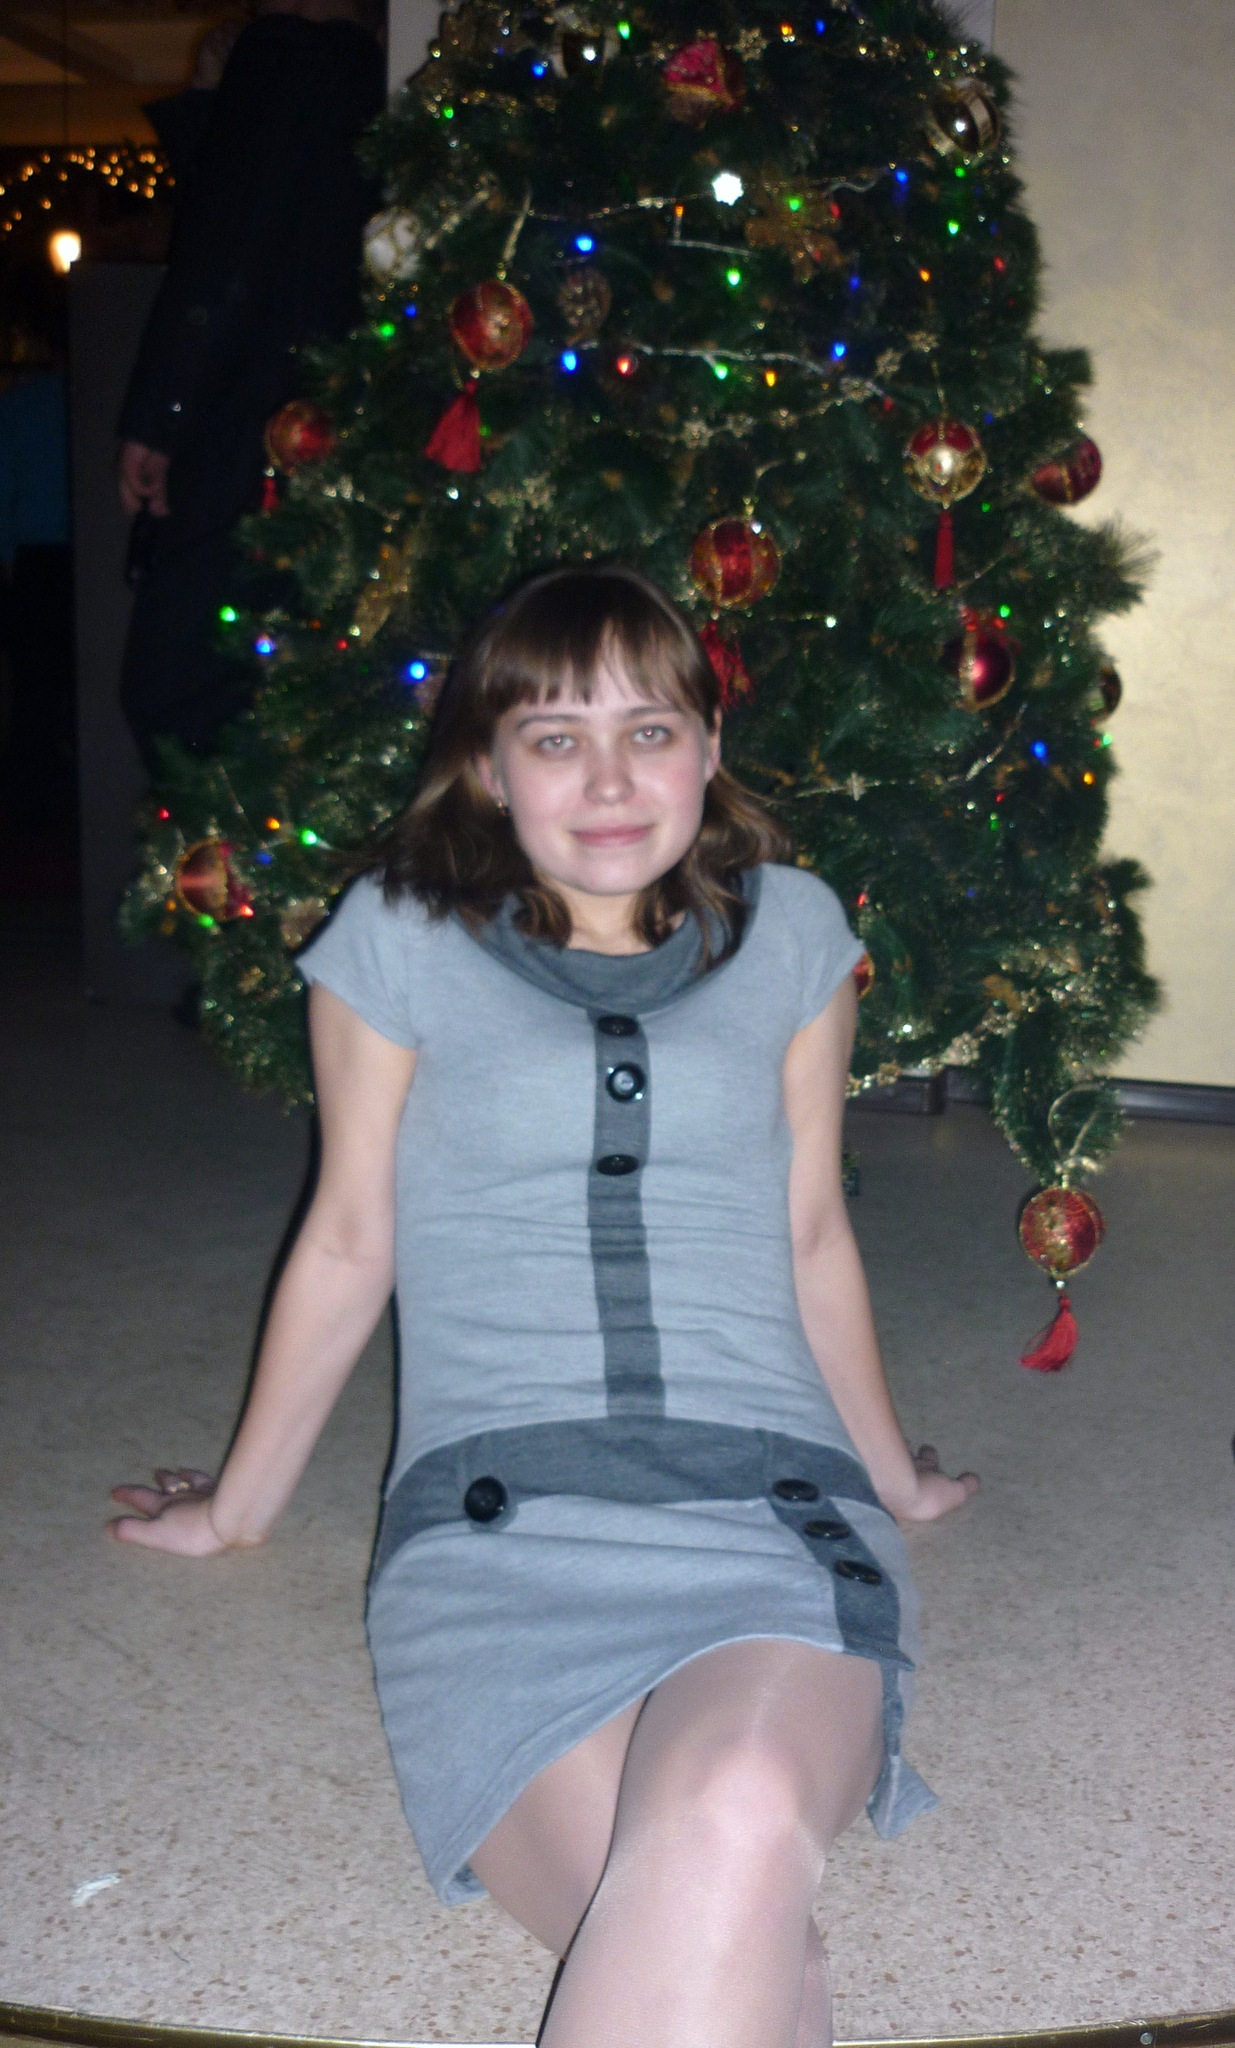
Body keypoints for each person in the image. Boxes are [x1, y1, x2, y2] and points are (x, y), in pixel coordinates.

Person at [111, 564, 978, 2048]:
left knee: (733, 1811)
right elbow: (349, 1238)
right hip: (494, 1540)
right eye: (555, 737)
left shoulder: (791, 930)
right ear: (487, 765)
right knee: (737, 1949)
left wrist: (890, 1477)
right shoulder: (397, 933)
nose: (609, 780)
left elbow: (811, 1229)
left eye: (649, 731)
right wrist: (236, 1513)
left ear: (707, 749)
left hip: (765, 1511)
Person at [116, 0, 384, 770]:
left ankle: (222, 844)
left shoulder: (290, 56)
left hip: (247, 425)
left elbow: (225, 252)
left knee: (178, 687)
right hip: (316, 423)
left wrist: (160, 415)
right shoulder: (370, 74)